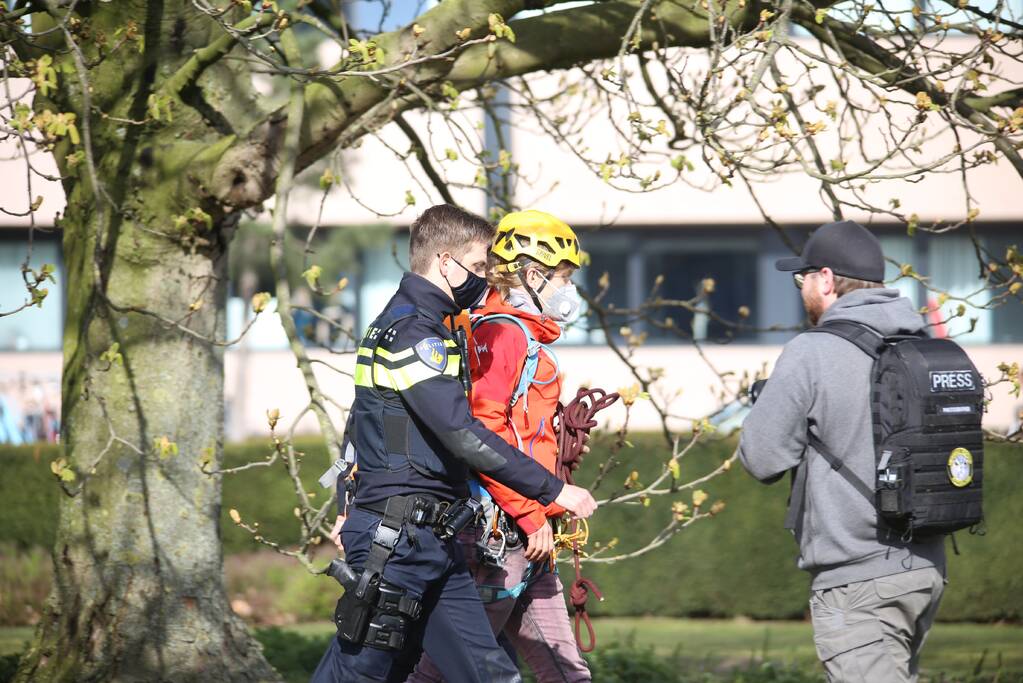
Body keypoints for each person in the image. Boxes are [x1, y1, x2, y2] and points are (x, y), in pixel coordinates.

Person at [311, 204, 597, 683]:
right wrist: (550, 491)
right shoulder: (411, 333)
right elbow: (462, 431)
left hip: (432, 536)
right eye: (481, 266)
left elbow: (359, 423)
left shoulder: (428, 327)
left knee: (489, 675)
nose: (487, 278)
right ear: (447, 262)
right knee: (360, 672)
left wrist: (344, 500)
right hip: (396, 537)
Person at [739, 220, 946, 683]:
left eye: (803, 278)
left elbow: (762, 458)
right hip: (926, 567)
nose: (802, 289)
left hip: (857, 579)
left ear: (827, 279)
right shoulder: (922, 344)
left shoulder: (811, 351)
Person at [409, 210, 591, 683]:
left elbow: (522, 431)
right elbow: (483, 431)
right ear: (533, 275)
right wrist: (532, 515)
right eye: (562, 279)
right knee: (451, 671)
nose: (568, 291)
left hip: (528, 532)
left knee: (567, 673)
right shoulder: (503, 334)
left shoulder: (520, 334)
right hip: (505, 533)